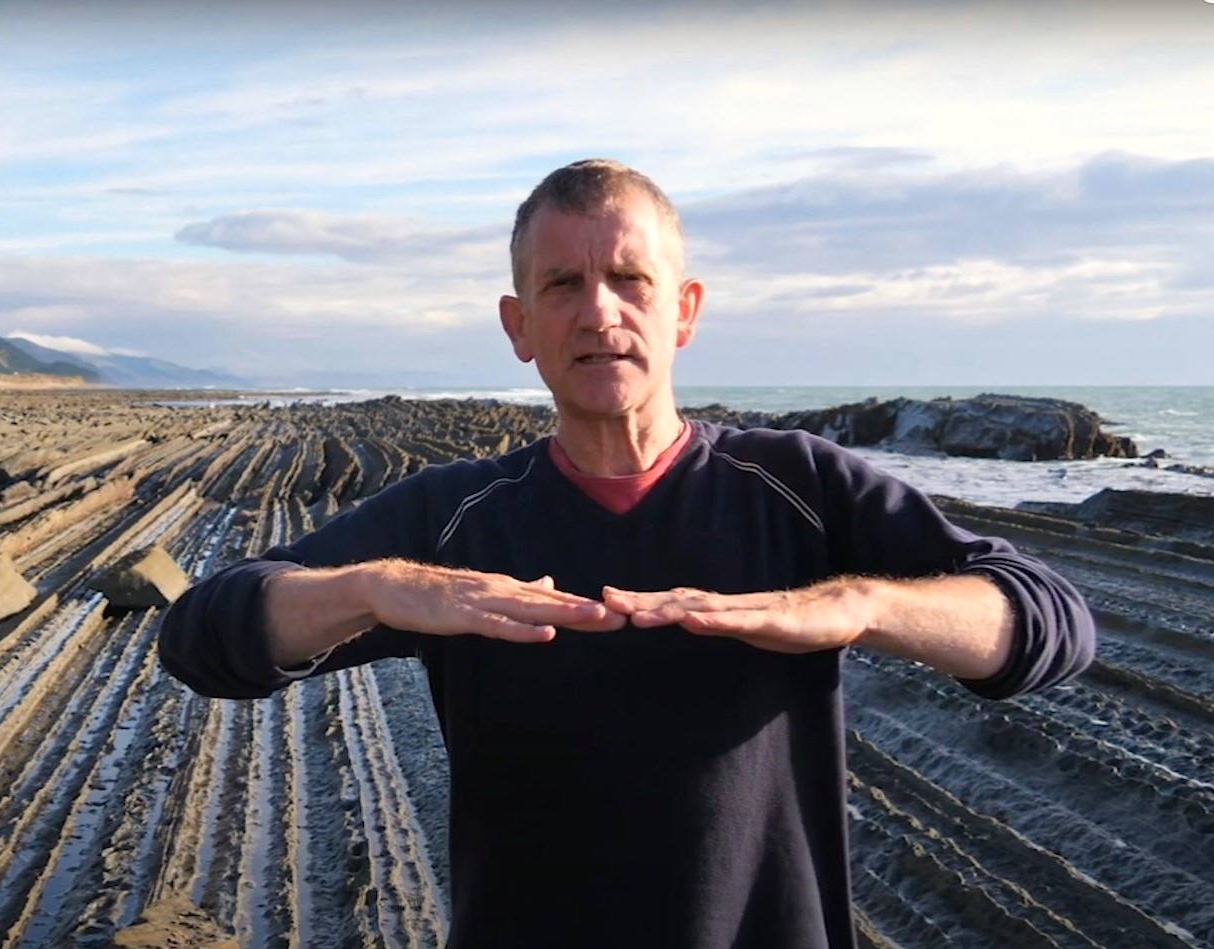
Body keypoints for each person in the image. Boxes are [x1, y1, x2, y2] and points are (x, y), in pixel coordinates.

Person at [158, 159, 1095, 948]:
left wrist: (863, 606)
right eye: (561, 284)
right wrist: (377, 588)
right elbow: (201, 638)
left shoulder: (799, 485)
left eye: (629, 279)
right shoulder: (455, 516)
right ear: (518, 325)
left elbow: (1048, 620)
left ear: (682, 310)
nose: (597, 311)